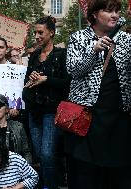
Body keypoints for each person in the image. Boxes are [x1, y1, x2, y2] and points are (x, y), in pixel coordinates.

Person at [65, 0, 131, 188]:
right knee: (87, 174)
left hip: (118, 118)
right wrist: (93, 50)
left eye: (117, 11)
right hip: (88, 118)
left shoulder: (125, 39)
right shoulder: (79, 37)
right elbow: (73, 70)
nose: (115, 15)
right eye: (109, 11)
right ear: (94, 14)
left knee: (119, 172)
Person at [22, 16, 70, 189]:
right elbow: (27, 82)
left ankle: (51, 186)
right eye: (35, 32)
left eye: (40, 32)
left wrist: (46, 79)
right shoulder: (34, 56)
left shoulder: (61, 54)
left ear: (52, 32)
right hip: (34, 112)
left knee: (48, 154)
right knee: (40, 155)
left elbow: (67, 83)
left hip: (52, 112)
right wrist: (32, 79)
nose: (36, 36)